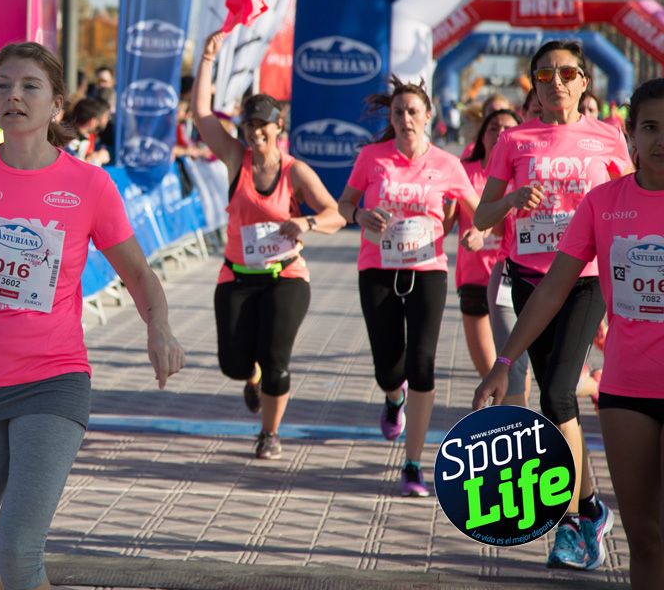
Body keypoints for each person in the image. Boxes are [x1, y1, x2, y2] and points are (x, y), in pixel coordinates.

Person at [0, 41, 184, 590]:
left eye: (29, 86)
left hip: (53, 380)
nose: (13, 95)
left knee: (18, 551)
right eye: (3, 85)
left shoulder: (89, 184)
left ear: (57, 105)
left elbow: (138, 274)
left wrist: (159, 328)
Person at [475, 77, 664, 587]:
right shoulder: (603, 203)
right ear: (630, 134)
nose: (660, 140)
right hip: (626, 392)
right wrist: (503, 363)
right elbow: (552, 291)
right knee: (645, 538)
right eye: (650, 127)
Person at [193, 31, 344, 459]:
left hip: (285, 276)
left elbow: (336, 215)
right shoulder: (234, 159)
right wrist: (207, 58)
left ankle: (269, 433)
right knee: (234, 364)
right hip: (237, 276)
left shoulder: (296, 172)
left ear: (279, 127)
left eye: (263, 124)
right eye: (249, 124)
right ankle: (251, 377)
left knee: (277, 359)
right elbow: (201, 114)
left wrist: (306, 222)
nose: (255, 131)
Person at [336, 76, 479, 497]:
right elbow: (344, 204)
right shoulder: (372, 158)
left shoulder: (447, 164)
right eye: (398, 112)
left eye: (413, 111)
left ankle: (413, 463)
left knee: (421, 364)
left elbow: (477, 211)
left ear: (429, 116)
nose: (405, 118)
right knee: (388, 368)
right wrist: (359, 216)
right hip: (377, 269)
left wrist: (476, 232)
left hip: (428, 270)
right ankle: (392, 397)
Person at [453, 108, 522, 379]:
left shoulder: (525, 172)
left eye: (508, 128)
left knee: (514, 372)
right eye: (494, 128)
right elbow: (445, 224)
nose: (501, 134)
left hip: (513, 277)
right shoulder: (465, 171)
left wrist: (481, 231)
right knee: (488, 371)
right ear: (482, 136)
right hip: (474, 277)